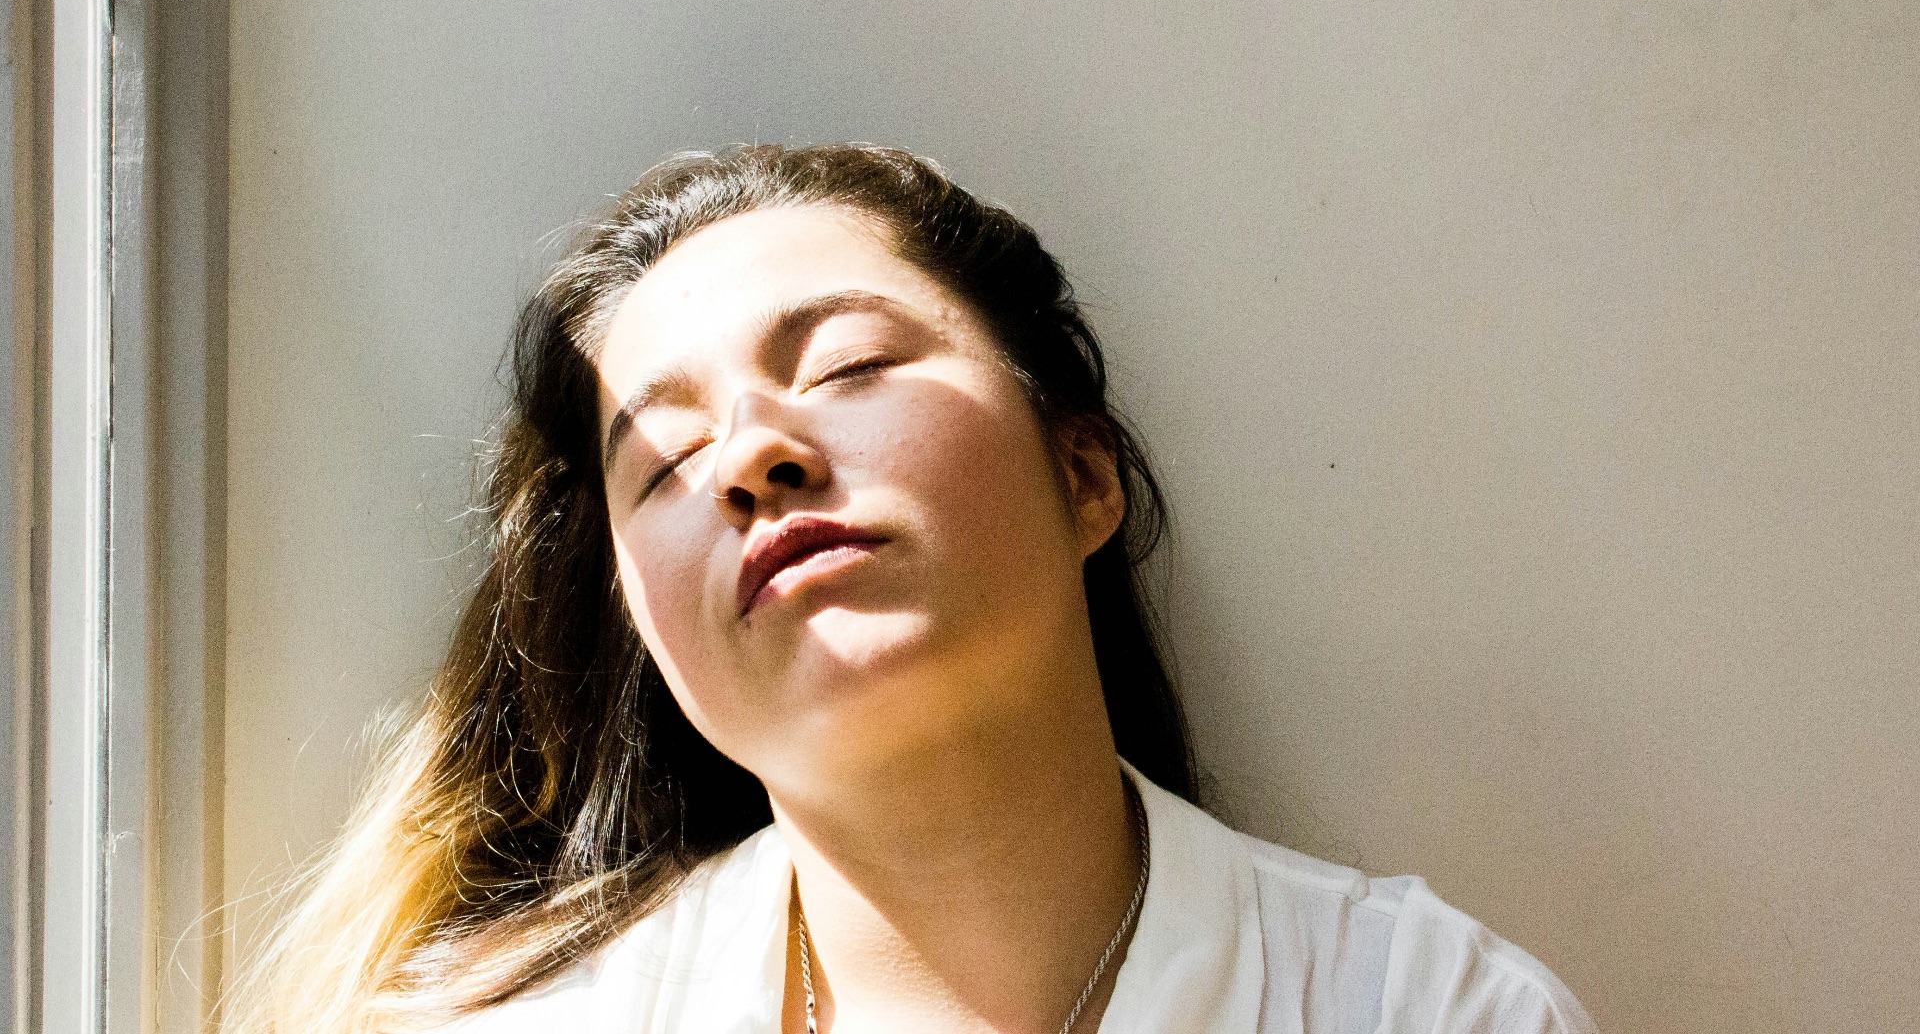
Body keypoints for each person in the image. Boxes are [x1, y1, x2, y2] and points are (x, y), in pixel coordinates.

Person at [229, 144, 1597, 1034]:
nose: (754, 455)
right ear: (645, 623)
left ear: (1083, 476)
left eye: (843, 367)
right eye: (665, 457)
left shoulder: (1422, 1008)